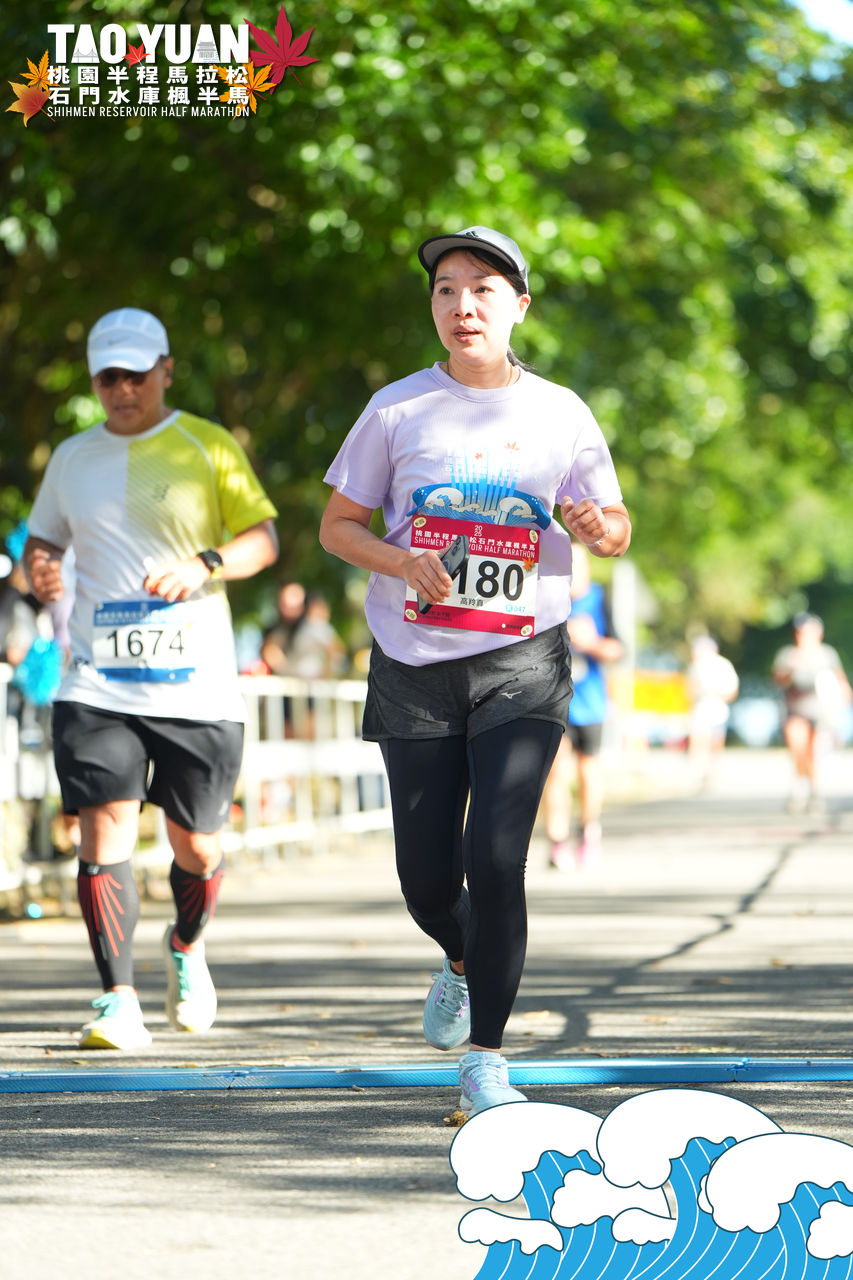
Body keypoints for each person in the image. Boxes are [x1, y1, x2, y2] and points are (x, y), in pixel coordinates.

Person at [319, 225, 630, 1115]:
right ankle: (459, 955)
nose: (462, 306)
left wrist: (597, 529)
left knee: (495, 858)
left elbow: (612, 526)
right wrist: (401, 561)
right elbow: (336, 527)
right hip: (414, 661)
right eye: (446, 289)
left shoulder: (560, 412)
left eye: (483, 289)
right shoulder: (396, 410)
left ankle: (486, 1060)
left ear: (517, 306)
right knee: (427, 881)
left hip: (523, 659)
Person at [23, 307, 278, 1050]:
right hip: (96, 683)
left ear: (165, 370)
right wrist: (40, 568)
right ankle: (118, 1000)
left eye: (136, 375)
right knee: (103, 829)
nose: (123, 390)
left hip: (196, 685)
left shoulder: (208, 443)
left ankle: (186, 944)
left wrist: (206, 564)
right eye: (109, 378)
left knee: (196, 846)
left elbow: (263, 538)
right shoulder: (72, 457)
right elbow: (42, 541)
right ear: (94, 381)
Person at [542, 541, 623, 869]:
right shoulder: (547, 597)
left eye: (579, 565)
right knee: (555, 773)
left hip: (590, 702)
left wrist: (590, 643)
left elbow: (617, 650)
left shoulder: (600, 599)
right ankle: (557, 842)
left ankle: (589, 832)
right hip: (553, 700)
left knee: (588, 772)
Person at [772, 612, 852, 814]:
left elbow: (840, 682)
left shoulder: (827, 654)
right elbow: (777, 680)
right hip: (795, 710)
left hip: (821, 712)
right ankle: (801, 786)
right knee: (798, 747)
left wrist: (843, 703)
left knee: (813, 753)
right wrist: (792, 669)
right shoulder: (788, 654)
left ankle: (813, 792)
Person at [686, 634, 739, 789]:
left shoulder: (723, 665)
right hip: (699, 712)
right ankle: (697, 775)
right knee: (698, 743)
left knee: (714, 745)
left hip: (718, 712)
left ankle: (711, 774)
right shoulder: (695, 667)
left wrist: (714, 693)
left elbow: (732, 691)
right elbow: (688, 691)